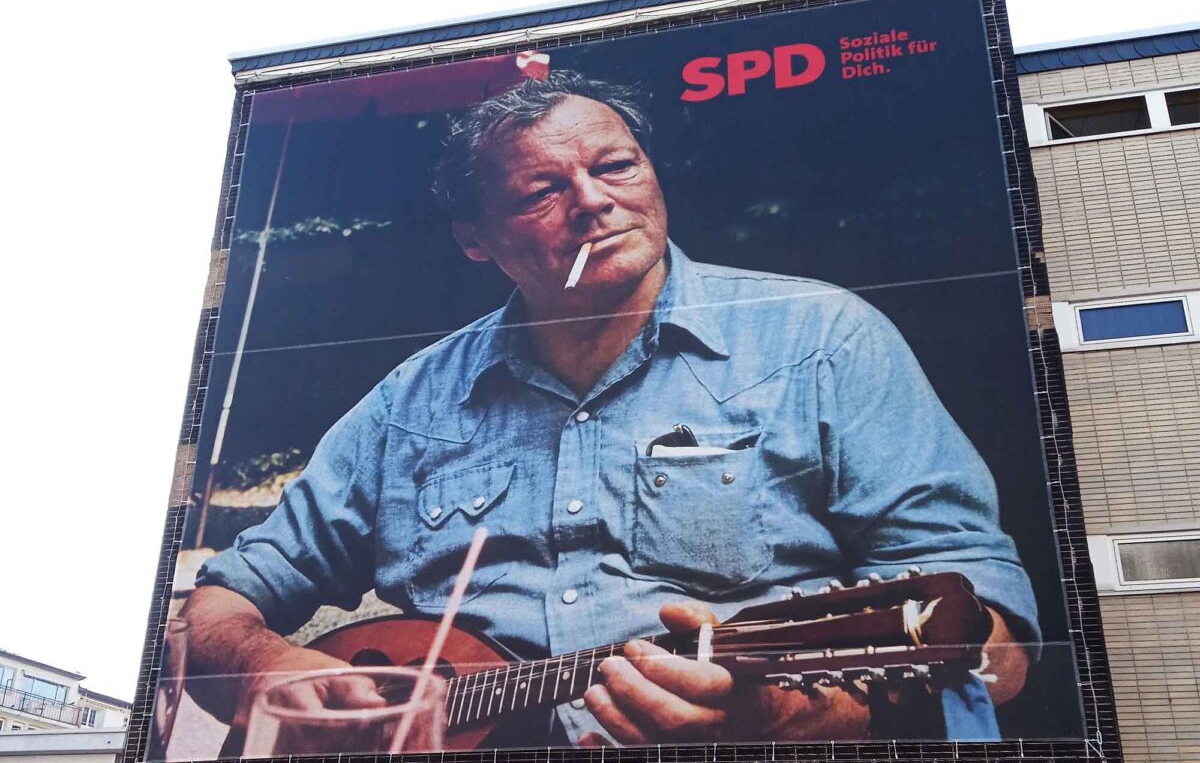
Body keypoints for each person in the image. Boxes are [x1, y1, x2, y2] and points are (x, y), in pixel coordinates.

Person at [184, 71, 1039, 747]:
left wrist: (779, 718)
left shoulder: (821, 339)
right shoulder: (409, 404)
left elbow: (994, 641)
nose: (593, 201)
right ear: (476, 239)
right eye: (539, 192)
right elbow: (218, 608)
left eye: (615, 165)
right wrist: (267, 669)